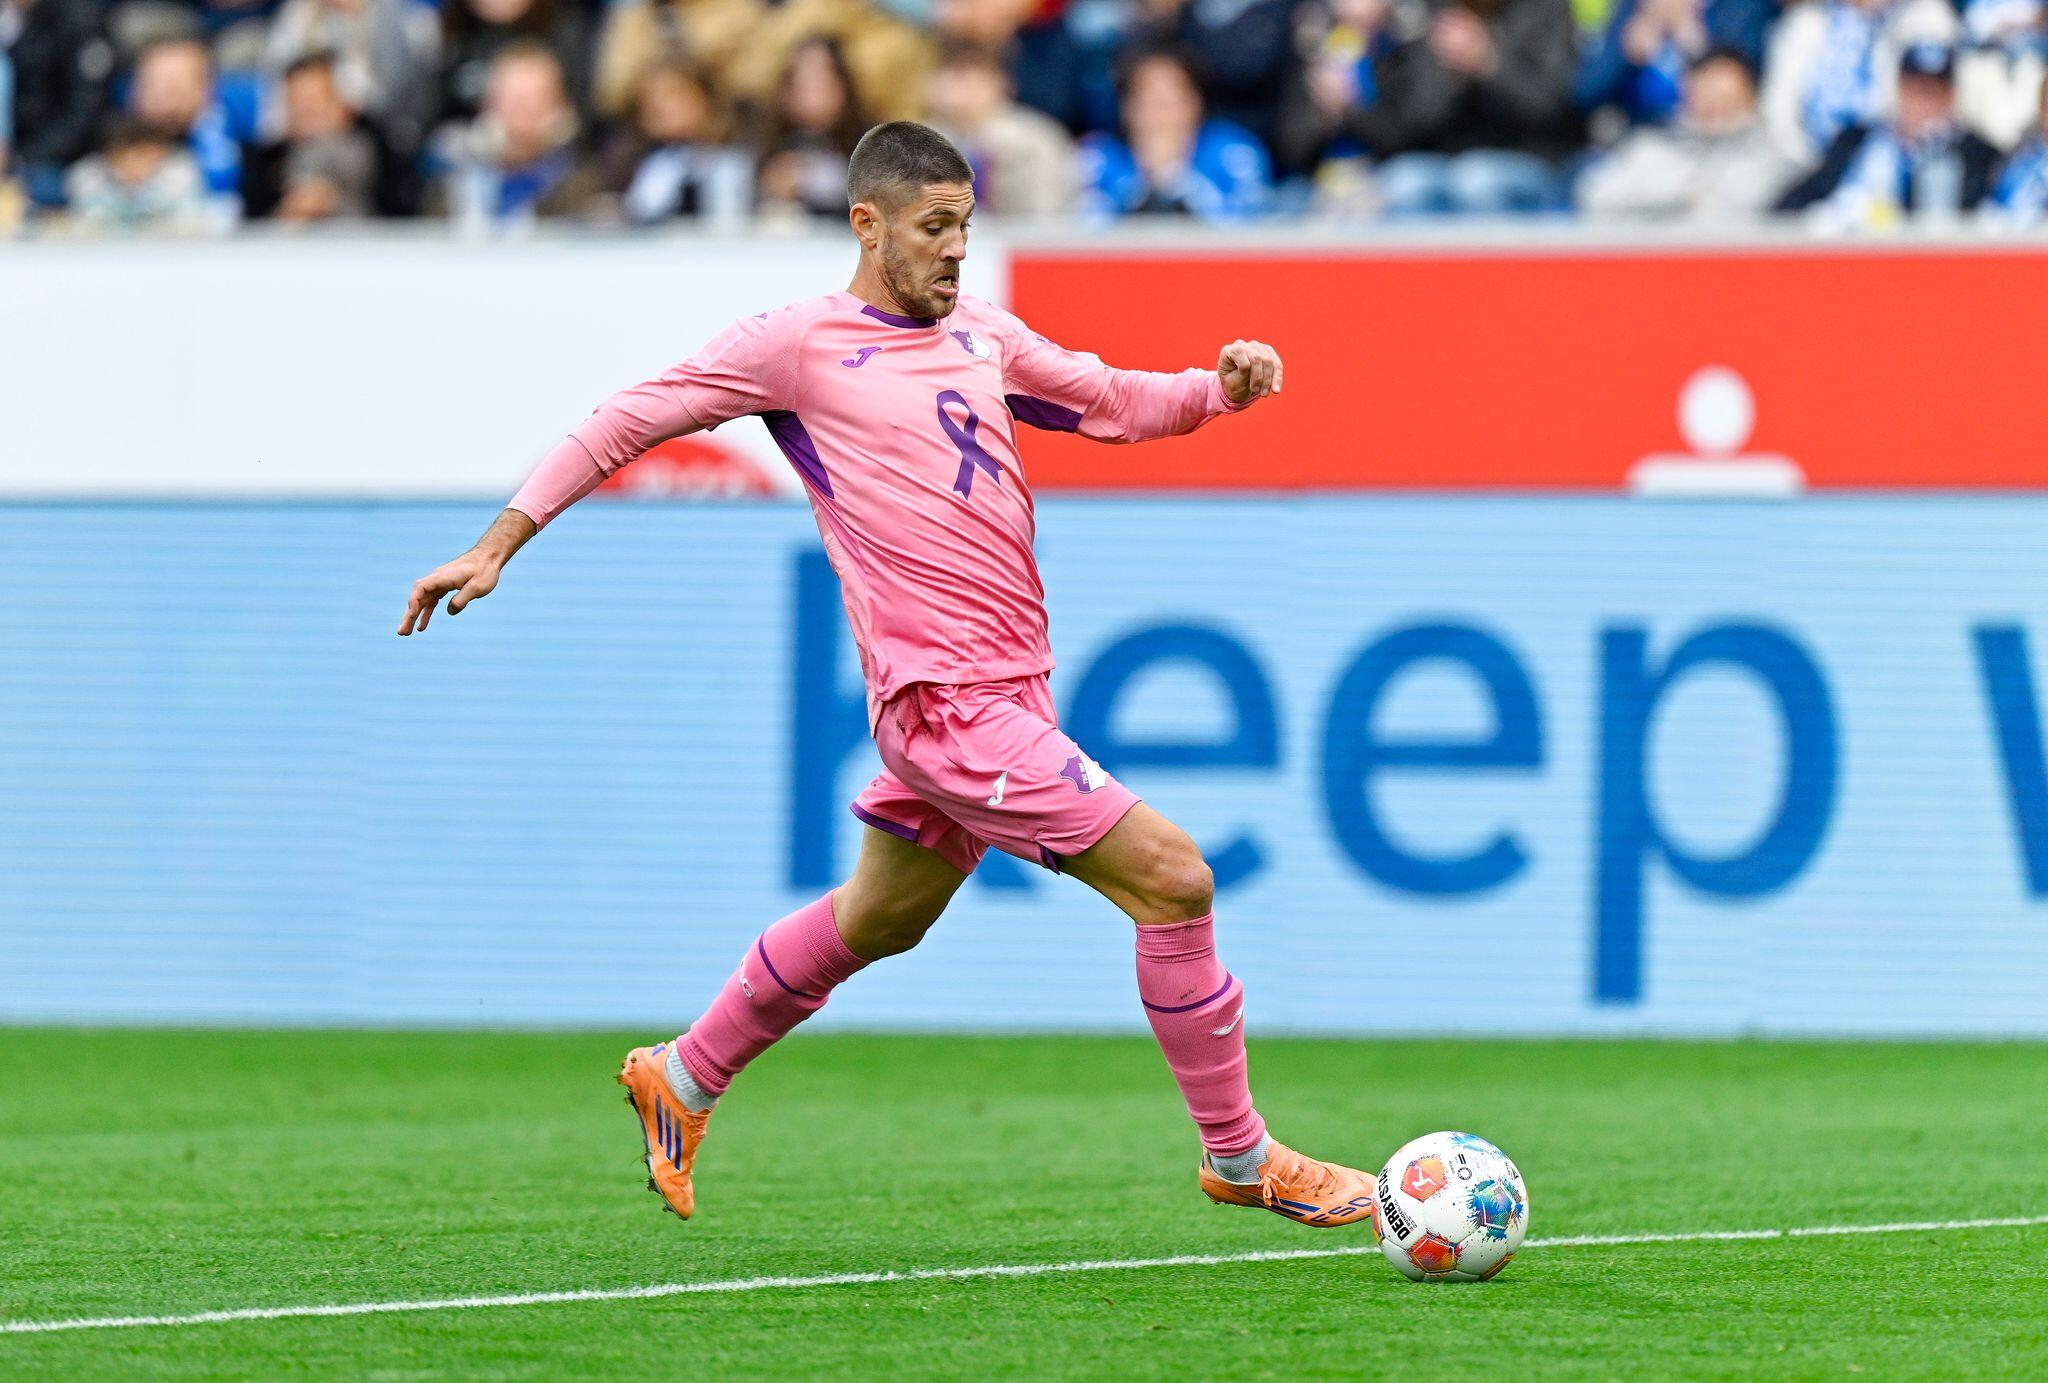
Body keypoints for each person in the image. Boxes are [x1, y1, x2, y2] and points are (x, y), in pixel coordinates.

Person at [397, 120, 1381, 1234]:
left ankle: (683, 1073)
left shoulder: (984, 336)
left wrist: (1219, 389)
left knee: (881, 916)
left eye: (965, 224)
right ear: (867, 225)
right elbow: (629, 418)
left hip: (1011, 692)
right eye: (932, 227)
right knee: (1176, 879)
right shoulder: (798, 345)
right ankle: (1239, 1155)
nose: (955, 248)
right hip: (945, 705)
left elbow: (1110, 401)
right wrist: (499, 541)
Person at [1778, 41, 2002, 227]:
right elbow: (1797, 203)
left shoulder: (1979, 155)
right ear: (1898, 88)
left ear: (1951, 96)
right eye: (1914, 90)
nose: (1922, 103)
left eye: (1932, 92)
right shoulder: (1856, 141)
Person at [1578, 45, 1796, 219]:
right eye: (1706, 97)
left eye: (1725, 99)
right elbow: (1595, 197)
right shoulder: (1650, 147)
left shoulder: (1774, 159)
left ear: (1750, 98)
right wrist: (1676, 197)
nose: (1715, 109)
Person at [1078, 44, 1273, 219]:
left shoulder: (1233, 151)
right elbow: (1083, 228)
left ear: (1195, 103)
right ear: (1127, 108)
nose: (1160, 117)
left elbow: (1248, 225)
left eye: (1169, 103)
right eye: (1148, 102)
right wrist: (1144, 183)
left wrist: (1177, 178)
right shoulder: (1099, 157)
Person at [427, 41, 595, 230]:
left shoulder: (578, 184)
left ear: (560, 105)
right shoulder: (453, 177)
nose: (522, 109)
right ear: (489, 104)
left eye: (535, 98)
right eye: (512, 97)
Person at [926, 37, 1076, 215]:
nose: (965, 90)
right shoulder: (919, 140)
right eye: (956, 77)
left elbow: (1048, 210)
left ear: (1002, 83)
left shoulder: (1037, 138)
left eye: (978, 79)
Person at [64, 113, 212, 229]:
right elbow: (87, 221)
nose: (134, 164)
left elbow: (189, 222)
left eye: (142, 155)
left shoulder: (181, 175)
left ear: (160, 152)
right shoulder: (87, 176)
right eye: (123, 156)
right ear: (109, 155)